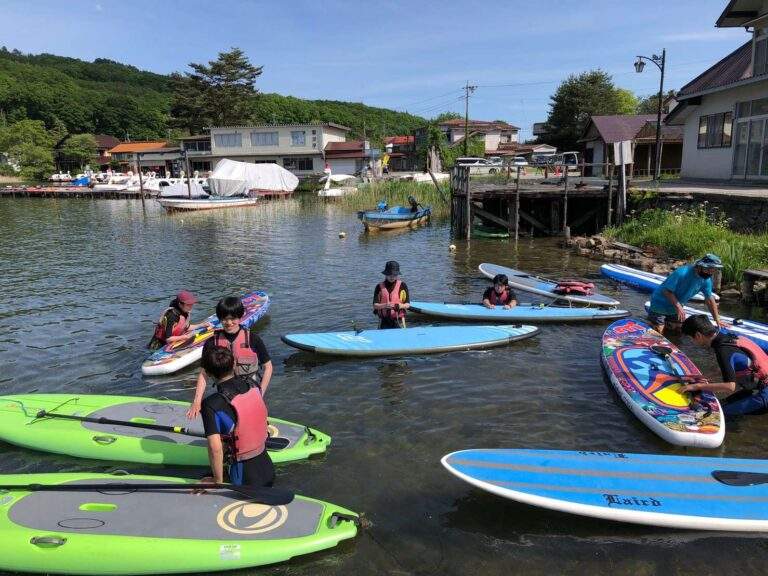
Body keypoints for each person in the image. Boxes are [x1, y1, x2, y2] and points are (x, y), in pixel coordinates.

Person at [198, 345, 274, 487]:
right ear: (233, 364)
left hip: (243, 479)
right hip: (267, 467)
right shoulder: (253, 384)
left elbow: (215, 448)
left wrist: (217, 481)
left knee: (202, 477)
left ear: (208, 373)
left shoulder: (210, 404)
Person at [187, 296, 273, 419]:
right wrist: (196, 401)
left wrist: (260, 393)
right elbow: (203, 374)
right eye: (224, 319)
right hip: (225, 396)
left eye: (233, 318)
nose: (228, 323)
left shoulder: (253, 339)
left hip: (251, 394)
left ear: (241, 316)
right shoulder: (212, 343)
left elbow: (268, 367)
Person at [681, 314, 768, 417]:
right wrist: (704, 377)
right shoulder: (730, 337)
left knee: (717, 415)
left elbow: (730, 386)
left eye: (691, 338)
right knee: (721, 404)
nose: (692, 342)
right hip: (758, 387)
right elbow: (738, 366)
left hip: (763, 393)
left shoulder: (723, 350)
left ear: (698, 335)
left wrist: (696, 386)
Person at [647, 253, 723, 334]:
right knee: (658, 331)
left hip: (675, 308)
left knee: (677, 331)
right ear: (700, 266)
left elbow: (709, 299)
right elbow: (666, 291)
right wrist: (679, 307)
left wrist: (717, 319)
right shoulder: (682, 273)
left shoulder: (706, 280)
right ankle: (652, 323)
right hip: (660, 304)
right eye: (708, 269)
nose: (710, 273)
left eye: (713, 270)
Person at [373, 260, 410, 329]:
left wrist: (400, 306)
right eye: (389, 274)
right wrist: (385, 305)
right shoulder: (379, 287)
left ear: (397, 275)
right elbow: (375, 305)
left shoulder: (403, 285)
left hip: (398, 320)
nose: (392, 277)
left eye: (394, 275)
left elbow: (407, 305)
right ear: (385, 274)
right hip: (384, 321)